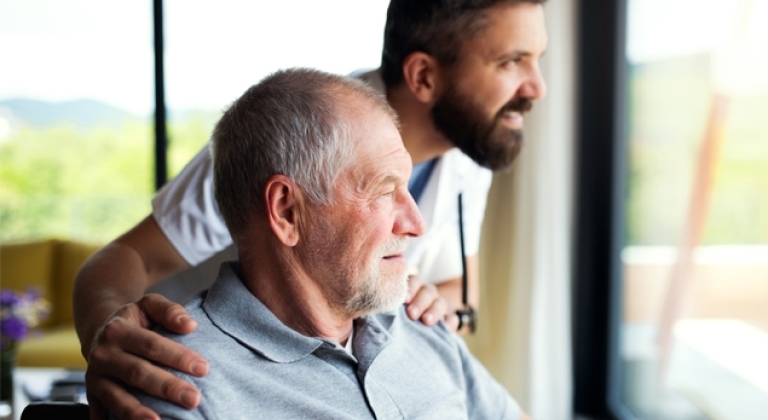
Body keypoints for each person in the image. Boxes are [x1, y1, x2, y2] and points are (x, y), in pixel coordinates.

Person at [75, 1, 548, 419]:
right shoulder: (284, 141)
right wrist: (111, 340)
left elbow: (463, 291)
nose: (537, 87)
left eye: (538, 60)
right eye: (512, 61)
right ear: (424, 75)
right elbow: (125, 258)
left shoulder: (467, 154)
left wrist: (412, 296)